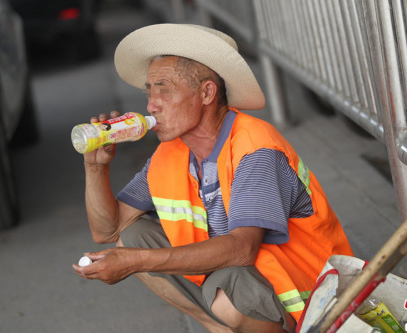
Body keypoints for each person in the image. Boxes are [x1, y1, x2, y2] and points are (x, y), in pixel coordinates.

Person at [73, 24, 353, 333]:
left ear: (207, 92)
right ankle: (218, 328)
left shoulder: (254, 148)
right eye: (148, 90)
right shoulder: (171, 153)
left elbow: (242, 249)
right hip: (241, 282)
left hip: (316, 299)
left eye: (163, 88)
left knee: (226, 285)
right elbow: (108, 231)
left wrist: (136, 261)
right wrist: (96, 167)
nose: (151, 104)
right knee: (133, 235)